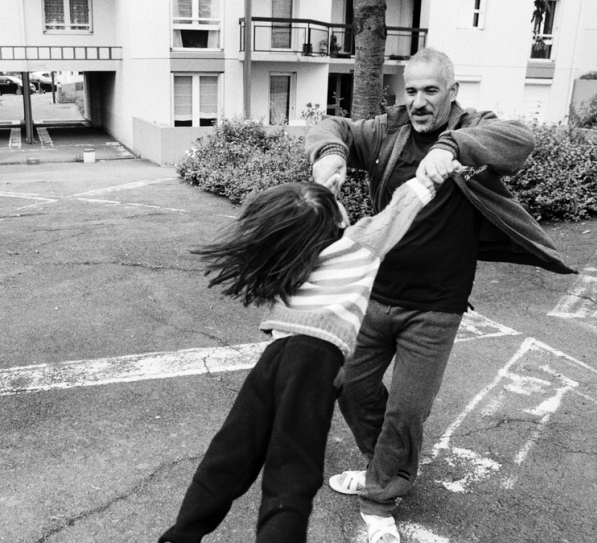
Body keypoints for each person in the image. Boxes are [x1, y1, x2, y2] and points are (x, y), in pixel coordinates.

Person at [305, 48, 575, 543]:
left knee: (407, 410)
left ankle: (381, 496)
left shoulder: (474, 127)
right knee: (349, 383)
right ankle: (384, 466)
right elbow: (332, 126)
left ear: (452, 93)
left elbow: (519, 140)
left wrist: (450, 148)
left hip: (436, 306)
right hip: (376, 294)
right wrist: (330, 157)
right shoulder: (388, 131)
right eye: (411, 90)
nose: (419, 101)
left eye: (431, 90)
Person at [159, 175, 439, 543]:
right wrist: (435, 173)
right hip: (313, 360)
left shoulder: (292, 255)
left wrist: (320, 199)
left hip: (275, 358)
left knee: (229, 457)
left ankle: (180, 536)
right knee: (291, 474)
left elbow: (311, 216)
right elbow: (399, 208)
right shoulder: (358, 246)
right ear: (338, 221)